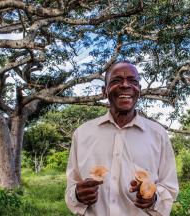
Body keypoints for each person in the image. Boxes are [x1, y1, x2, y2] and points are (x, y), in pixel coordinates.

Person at [65, 61, 179, 215]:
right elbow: (71, 189)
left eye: (133, 81)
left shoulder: (158, 135)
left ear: (139, 90)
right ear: (104, 90)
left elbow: (169, 189)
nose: (125, 85)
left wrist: (153, 199)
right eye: (116, 80)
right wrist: (78, 195)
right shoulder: (82, 134)